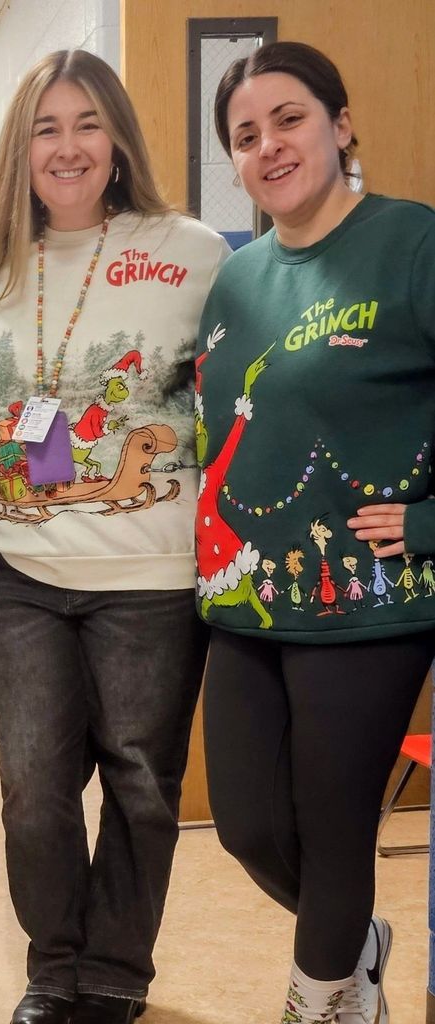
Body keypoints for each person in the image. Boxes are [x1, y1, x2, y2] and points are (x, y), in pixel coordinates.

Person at [0, 49, 230, 1024]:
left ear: (116, 139)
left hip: (151, 573)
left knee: (140, 782)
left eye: (85, 124)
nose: (65, 147)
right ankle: (51, 962)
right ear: (18, 149)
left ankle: (112, 972)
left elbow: (239, 400)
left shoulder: (189, 250)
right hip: (24, 572)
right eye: (44, 128)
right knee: (31, 788)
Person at [196, 39, 435, 1024]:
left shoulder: (410, 243)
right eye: (244, 136)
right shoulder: (236, 281)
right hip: (249, 600)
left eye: (287, 119)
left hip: (367, 601)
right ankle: (352, 942)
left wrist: (426, 519)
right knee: (247, 825)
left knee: (332, 831)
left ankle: (322, 1000)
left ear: (339, 125)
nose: (267, 146)